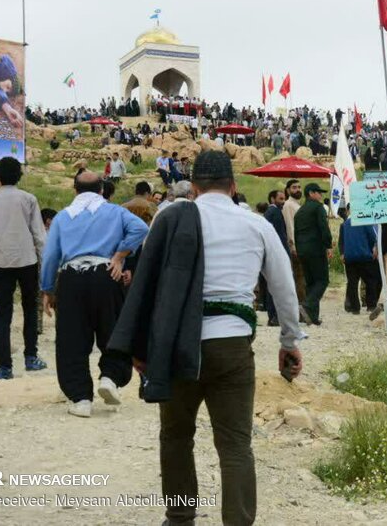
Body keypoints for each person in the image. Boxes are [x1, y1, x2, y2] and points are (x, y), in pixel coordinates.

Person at [109, 150, 303, 526]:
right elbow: (284, 288)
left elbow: (148, 280)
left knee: (176, 436)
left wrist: (140, 345)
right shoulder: (256, 224)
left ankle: (180, 518)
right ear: (232, 187)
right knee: (234, 445)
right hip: (231, 347)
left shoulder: (171, 217)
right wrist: (288, 342)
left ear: (194, 188)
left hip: (177, 342)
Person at [40, 171, 148, 417]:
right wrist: (120, 256)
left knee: (71, 339)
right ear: (101, 190)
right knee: (113, 331)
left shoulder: (63, 217)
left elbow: (50, 256)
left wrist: (47, 288)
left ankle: (80, 399)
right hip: (106, 274)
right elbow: (140, 229)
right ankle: (110, 377)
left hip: (71, 278)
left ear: (74, 190)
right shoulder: (115, 212)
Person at [0, 157, 48, 380]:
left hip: (1, 262)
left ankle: (4, 367)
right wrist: (45, 267)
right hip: (27, 261)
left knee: (3, 314)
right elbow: (39, 236)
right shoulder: (29, 199)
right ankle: (30, 357)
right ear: (19, 176)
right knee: (29, 309)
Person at [293, 182, 332, 325]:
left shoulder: (300, 211)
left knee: (311, 283)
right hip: (316, 249)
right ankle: (307, 306)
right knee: (322, 280)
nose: (321, 195)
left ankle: (312, 317)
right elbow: (324, 228)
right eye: (318, 192)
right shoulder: (318, 208)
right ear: (311, 193)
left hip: (302, 251)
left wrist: (299, 250)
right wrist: (328, 245)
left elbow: (296, 233)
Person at [338, 205, 380, 315]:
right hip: (365, 256)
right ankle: (371, 305)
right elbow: (372, 237)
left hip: (350, 258)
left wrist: (343, 253)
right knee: (370, 281)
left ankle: (355, 308)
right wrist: (373, 249)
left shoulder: (345, 224)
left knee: (352, 283)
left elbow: (341, 240)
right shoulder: (364, 221)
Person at [262, 190, 288, 326]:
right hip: (276, 254)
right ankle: (275, 316)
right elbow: (280, 236)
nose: (283, 201)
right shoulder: (275, 212)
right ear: (272, 199)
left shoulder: (269, 212)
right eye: (280, 198)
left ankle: (273, 316)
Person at [282, 178, 307, 311]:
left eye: (299, 187)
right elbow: (290, 227)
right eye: (294, 187)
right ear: (288, 190)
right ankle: (301, 309)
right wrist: (294, 247)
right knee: (299, 279)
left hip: (303, 247)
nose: (298, 190)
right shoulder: (288, 205)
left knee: (303, 278)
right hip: (297, 248)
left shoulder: (297, 205)